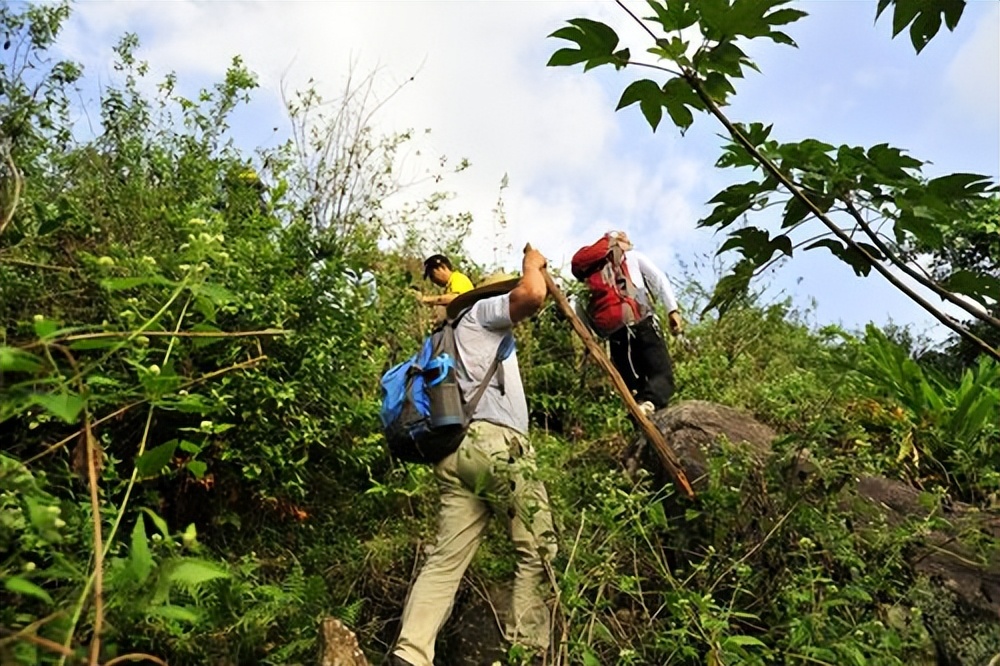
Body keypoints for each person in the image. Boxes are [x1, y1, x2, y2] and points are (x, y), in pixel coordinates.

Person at [391, 247, 557, 666]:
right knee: (538, 547)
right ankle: (527, 653)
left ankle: (410, 654)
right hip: (494, 447)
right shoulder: (483, 314)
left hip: (454, 453)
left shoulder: (450, 336)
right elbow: (533, 295)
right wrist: (532, 266)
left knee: (445, 560)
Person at [571, 231, 684, 417]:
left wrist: (590, 342)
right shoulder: (632, 257)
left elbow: (577, 309)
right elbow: (659, 279)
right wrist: (673, 310)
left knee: (632, 386)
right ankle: (650, 404)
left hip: (615, 336)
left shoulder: (588, 275)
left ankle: (639, 413)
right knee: (661, 374)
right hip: (642, 324)